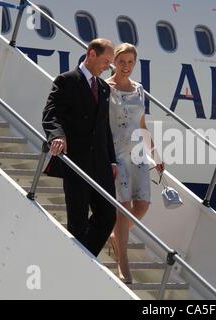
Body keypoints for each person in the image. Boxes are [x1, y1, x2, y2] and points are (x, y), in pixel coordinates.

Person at [42, 38, 118, 257]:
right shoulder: (67, 80)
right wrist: (57, 136)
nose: (108, 67)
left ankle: (83, 258)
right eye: (106, 61)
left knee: (107, 215)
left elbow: (104, 128)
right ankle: (78, 261)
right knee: (78, 220)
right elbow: (51, 113)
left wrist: (112, 160)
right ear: (92, 54)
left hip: (101, 164)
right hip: (76, 161)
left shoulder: (104, 88)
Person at [106, 43, 164, 283]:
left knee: (143, 205)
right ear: (114, 61)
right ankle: (123, 263)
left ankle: (115, 237)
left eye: (131, 62)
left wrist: (157, 155)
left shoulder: (139, 90)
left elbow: (142, 126)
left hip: (138, 153)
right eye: (122, 62)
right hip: (117, 152)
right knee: (124, 206)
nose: (126, 66)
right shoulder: (105, 87)